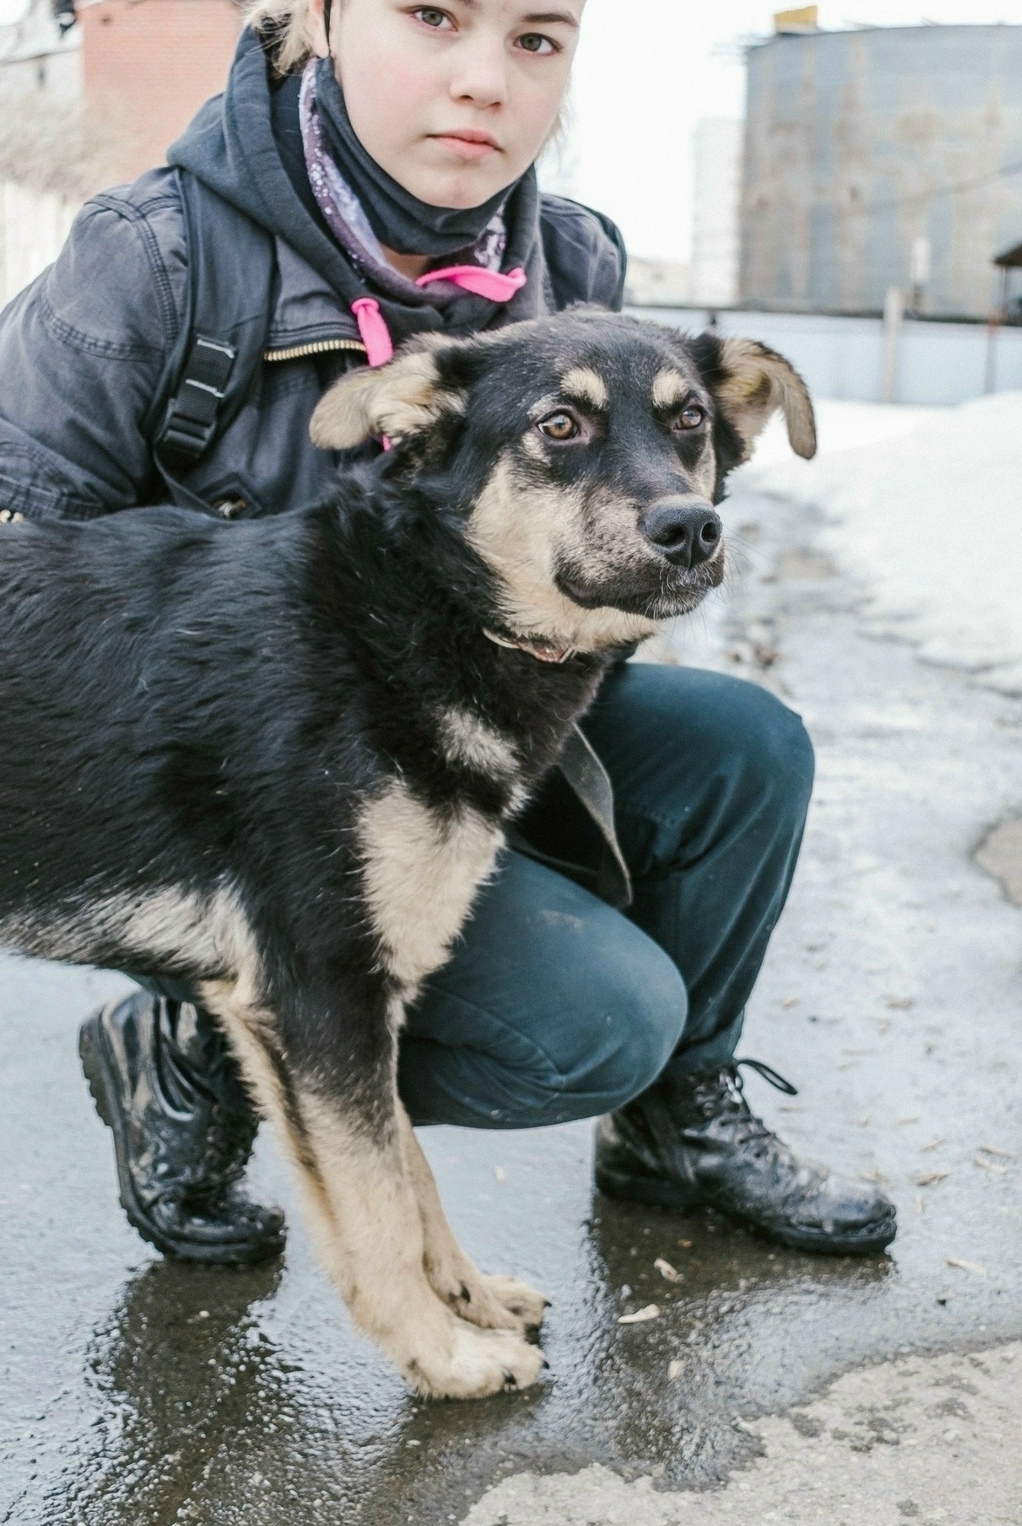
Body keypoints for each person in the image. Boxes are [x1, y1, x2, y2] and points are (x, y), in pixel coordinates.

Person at [0, 0, 896, 1265]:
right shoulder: (154, 258)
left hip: (481, 702)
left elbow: (604, 541)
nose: (485, 80)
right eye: (433, 17)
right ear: (316, 21)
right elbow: (27, 591)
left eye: (538, 37)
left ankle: (675, 1125)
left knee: (748, 745)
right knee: (590, 1022)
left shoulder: (572, 262)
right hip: (242, 793)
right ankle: (202, 1039)